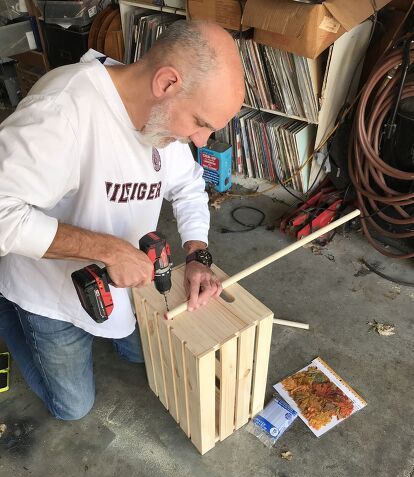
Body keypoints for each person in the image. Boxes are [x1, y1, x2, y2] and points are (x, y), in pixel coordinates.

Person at [0, 20, 245, 420]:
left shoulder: (164, 121)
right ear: (167, 83)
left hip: (124, 281)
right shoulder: (62, 110)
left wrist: (198, 255)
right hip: (46, 291)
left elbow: (188, 187)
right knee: (73, 408)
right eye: (201, 123)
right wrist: (110, 250)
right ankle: (5, 306)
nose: (201, 142)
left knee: (141, 355)